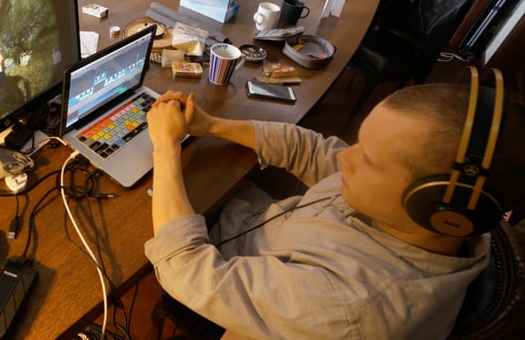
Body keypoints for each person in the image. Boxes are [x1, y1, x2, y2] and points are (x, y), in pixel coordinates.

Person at [144, 77, 525, 339]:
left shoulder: (352, 308)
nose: (346, 158)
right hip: (252, 231)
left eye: (370, 159)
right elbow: (311, 149)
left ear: (440, 208)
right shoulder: (408, 213)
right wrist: (211, 125)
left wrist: (165, 145)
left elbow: (186, 268)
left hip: (212, 274)